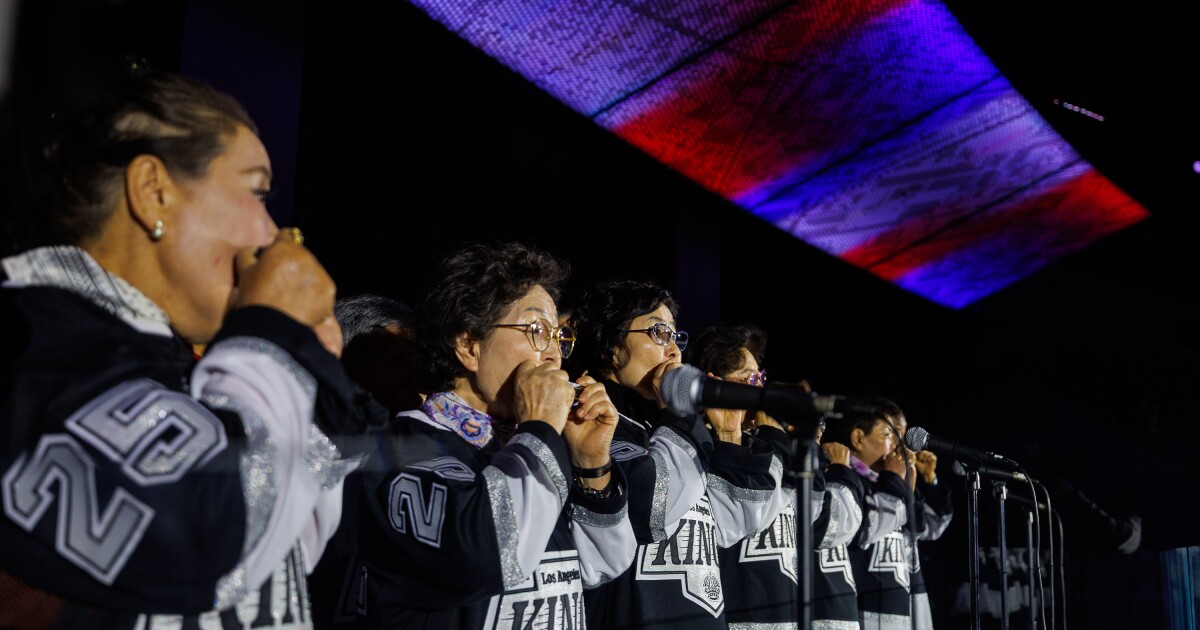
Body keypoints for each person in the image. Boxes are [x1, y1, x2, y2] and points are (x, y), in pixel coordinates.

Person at [0, 70, 364, 628]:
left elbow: (278, 565)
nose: (274, 234)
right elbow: (210, 538)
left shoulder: (163, 352)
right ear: (155, 192)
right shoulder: (32, 348)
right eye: (257, 192)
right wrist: (269, 345)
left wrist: (299, 371)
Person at [353, 241, 637, 628]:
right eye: (537, 330)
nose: (554, 354)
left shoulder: (532, 445)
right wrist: (538, 429)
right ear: (469, 345)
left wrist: (591, 464)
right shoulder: (400, 446)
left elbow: (602, 564)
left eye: (558, 337)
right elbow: (488, 554)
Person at [567, 279, 786, 629]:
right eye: (659, 333)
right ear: (611, 346)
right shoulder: (590, 419)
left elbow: (735, 524)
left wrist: (728, 433)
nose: (674, 352)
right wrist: (681, 412)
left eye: (676, 338)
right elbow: (650, 507)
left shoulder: (666, 425)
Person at [821, 410, 916, 630]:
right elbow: (864, 530)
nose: (896, 446)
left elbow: (919, 528)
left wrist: (910, 485)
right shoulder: (844, 476)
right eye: (888, 436)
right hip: (863, 607)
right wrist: (892, 479)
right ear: (858, 439)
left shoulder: (881, 479)